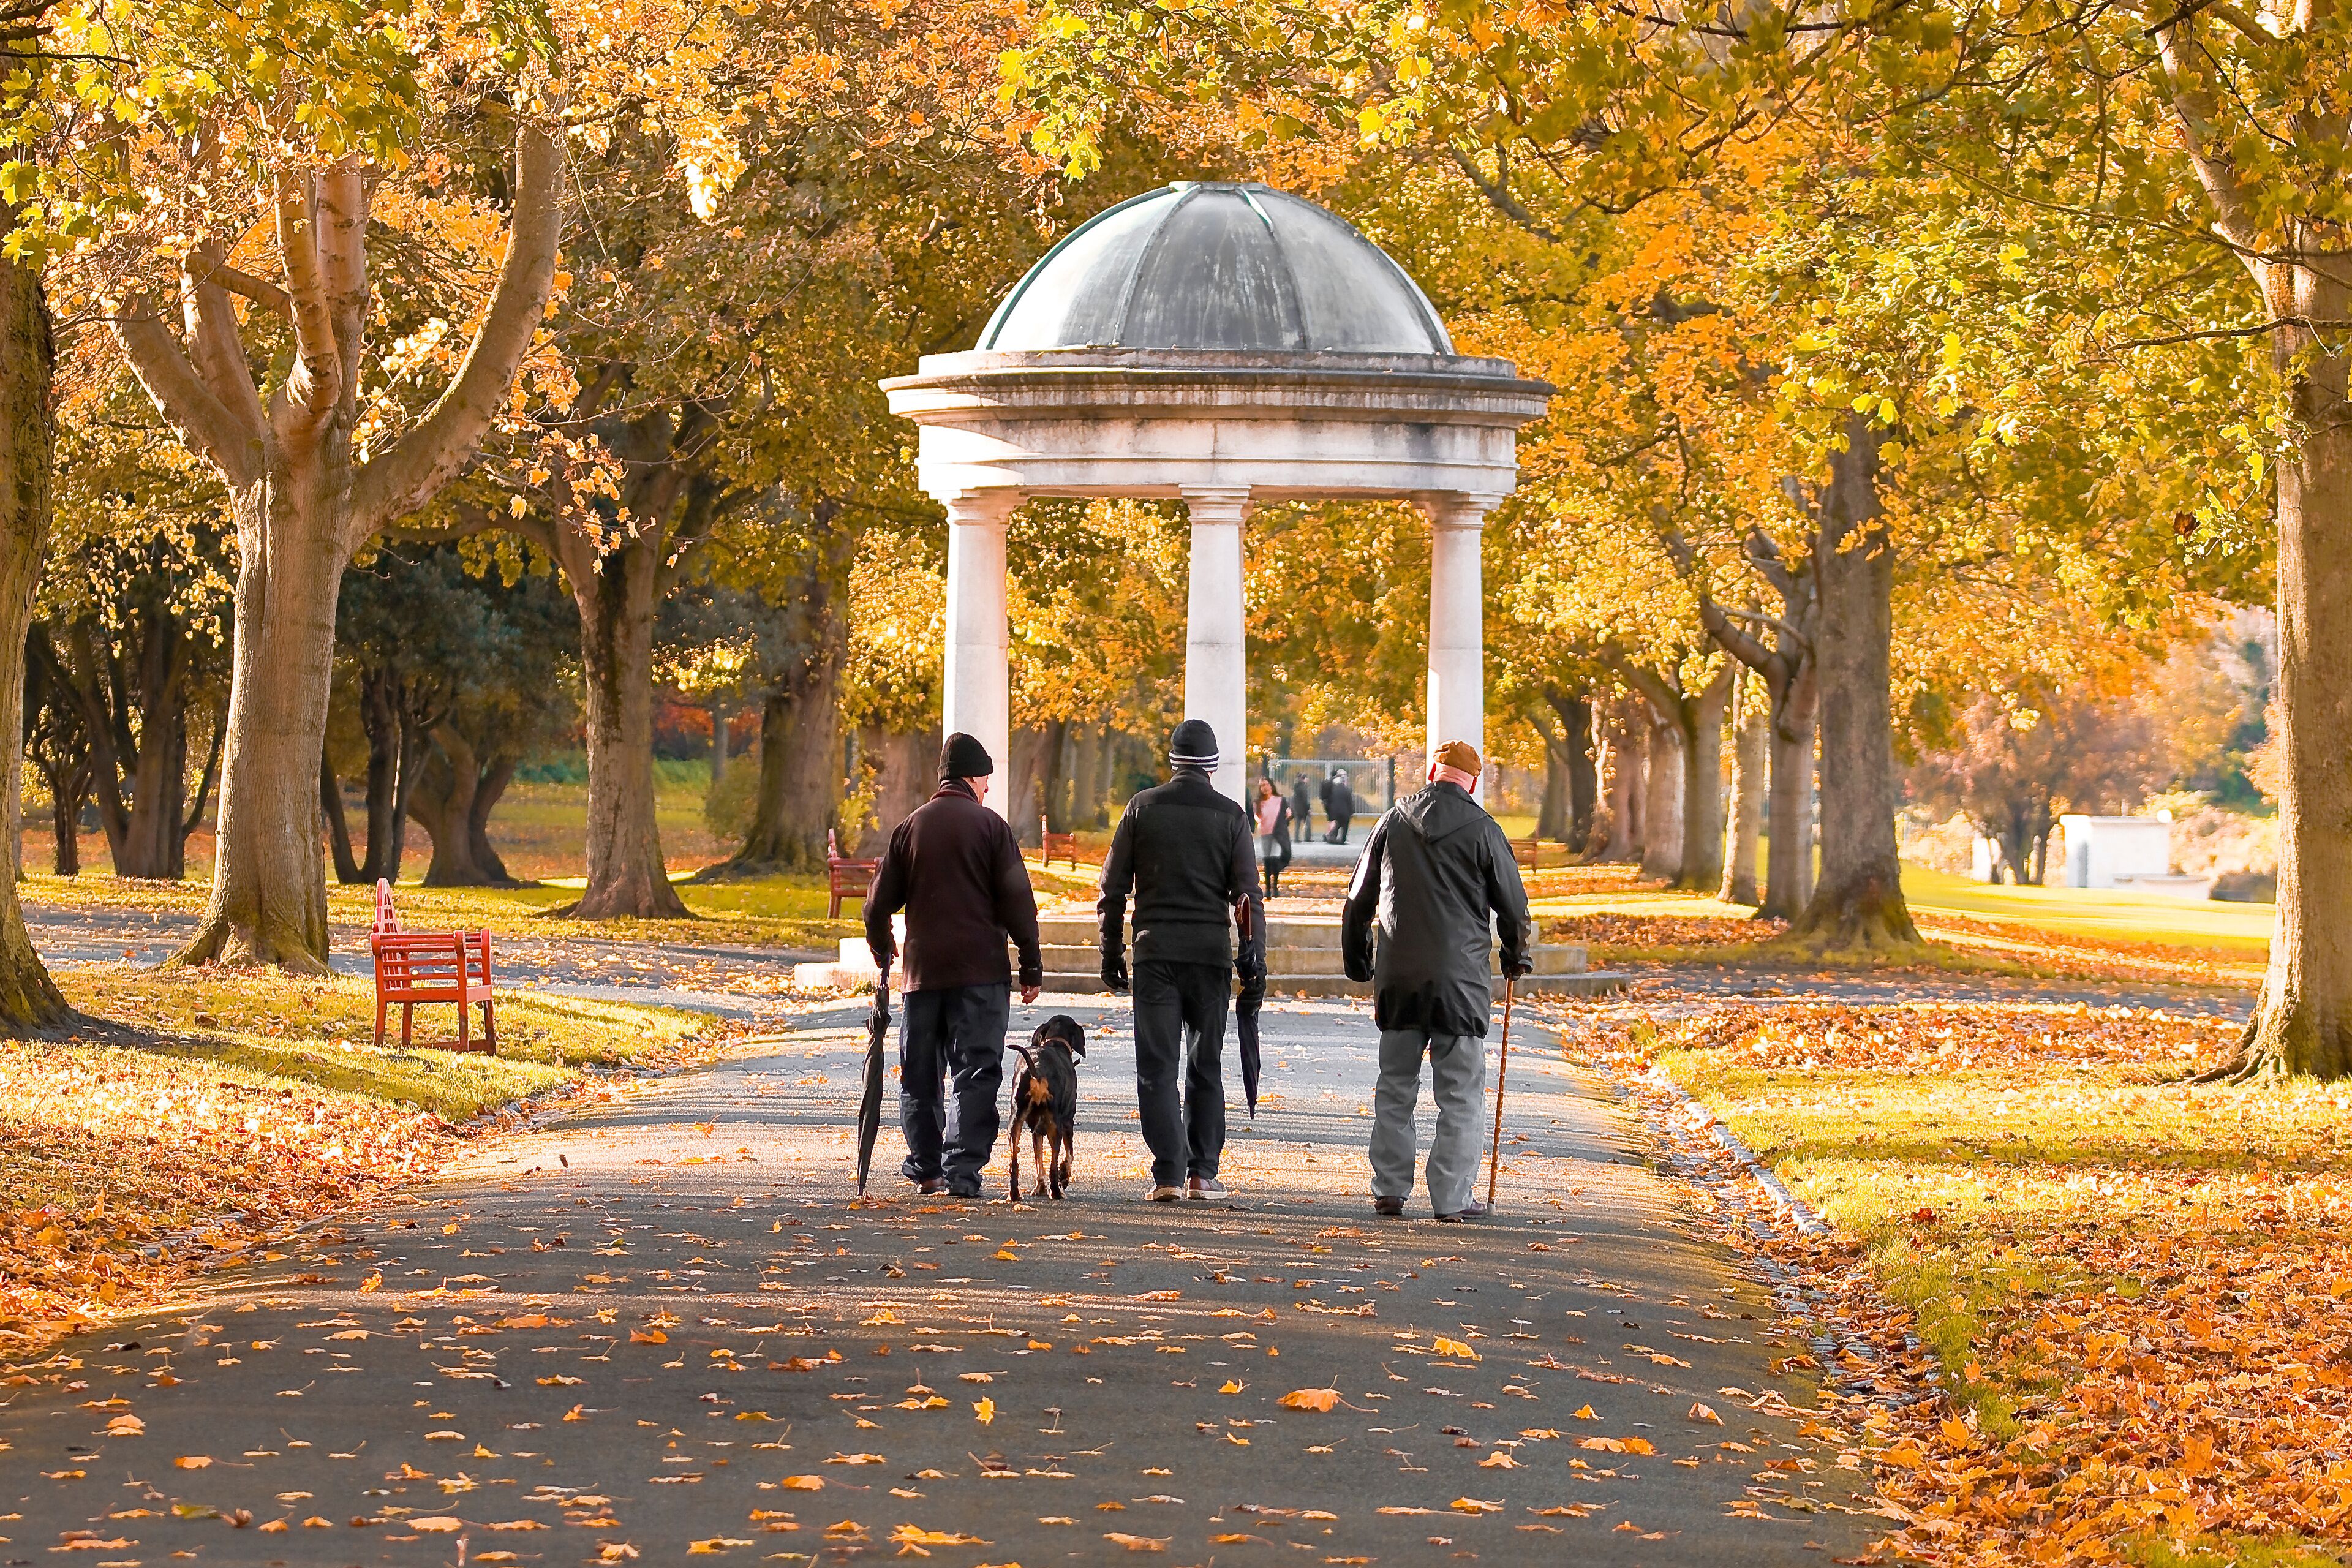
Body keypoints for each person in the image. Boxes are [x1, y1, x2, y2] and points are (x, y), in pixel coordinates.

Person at [1341, 740, 1532, 1222]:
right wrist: (1515, 956)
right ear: (1472, 782)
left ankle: (1389, 1188)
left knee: (1395, 1085)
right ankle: (1451, 1199)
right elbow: (1513, 906)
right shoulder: (1485, 830)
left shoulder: (1392, 821)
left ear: (1431, 772)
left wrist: (1358, 961)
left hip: (1400, 978)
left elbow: (1358, 899)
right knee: (1461, 1093)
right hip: (1460, 983)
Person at [865, 732, 1044, 1198]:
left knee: (921, 1073)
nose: (988, 788)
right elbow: (1018, 902)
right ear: (972, 777)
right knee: (977, 1072)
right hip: (981, 974)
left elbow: (876, 905)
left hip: (922, 976)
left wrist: (883, 947)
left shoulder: (910, 828)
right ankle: (963, 1172)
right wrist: (1030, 965)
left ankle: (927, 1169)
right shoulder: (992, 828)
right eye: (986, 779)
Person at [1099, 719, 1265, 1201]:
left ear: (1173, 761)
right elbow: (1247, 896)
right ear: (1213, 765)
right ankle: (1201, 1173)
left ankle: (1168, 1174)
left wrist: (1112, 951)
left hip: (1155, 952)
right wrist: (1252, 958)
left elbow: (1112, 889)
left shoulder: (1141, 809)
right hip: (1208, 957)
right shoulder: (1231, 816)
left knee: (1156, 1067)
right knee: (1205, 1064)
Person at [1254, 776, 1293, 898]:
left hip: (1277, 833)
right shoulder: (1258, 803)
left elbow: (1288, 813)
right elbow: (1258, 817)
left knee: (1275, 859)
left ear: (1271, 786)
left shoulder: (1280, 800)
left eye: (1267, 785)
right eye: (1262, 786)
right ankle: (1267, 889)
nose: (1265, 788)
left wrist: (1289, 814)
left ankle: (1275, 887)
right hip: (1265, 833)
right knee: (1267, 861)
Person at [1325, 766, 1357, 845]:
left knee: (1338, 825)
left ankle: (1333, 837)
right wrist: (1352, 812)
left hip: (1336, 812)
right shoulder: (1347, 790)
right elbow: (1350, 802)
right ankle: (1343, 839)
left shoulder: (1333, 789)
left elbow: (1330, 801)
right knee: (1345, 826)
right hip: (1345, 812)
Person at [1290, 771, 1317, 846]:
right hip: (1303, 808)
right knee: (1308, 823)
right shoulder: (1303, 787)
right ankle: (1307, 837)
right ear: (1304, 779)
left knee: (1297, 824)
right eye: (1307, 778)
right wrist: (1308, 809)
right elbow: (1305, 799)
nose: (1308, 780)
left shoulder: (1297, 786)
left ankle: (1296, 838)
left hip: (1297, 808)